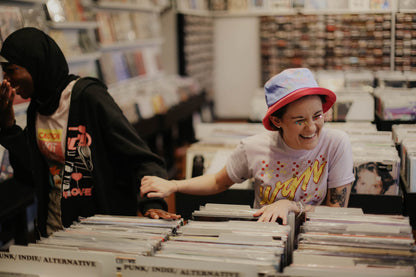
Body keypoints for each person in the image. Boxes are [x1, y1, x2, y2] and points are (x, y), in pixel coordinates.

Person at [0, 27, 180, 238]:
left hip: (103, 234)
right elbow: (31, 177)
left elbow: (141, 158)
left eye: (11, 70)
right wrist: (9, 128)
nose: (6, 79)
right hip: (54, 231)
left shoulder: (88, 98)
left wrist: (152, 204)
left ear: (36, 64)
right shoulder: (36, 110)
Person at [141, 68, 355, 224]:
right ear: (277, 121)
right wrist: (174, 186)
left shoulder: (336, 144)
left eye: (317, 115)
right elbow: (218, 181)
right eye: (299, 120)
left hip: (318, 241)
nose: (311, 127)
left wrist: (291, 206)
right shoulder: (253, 148)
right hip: (265, 240)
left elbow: (337, 211)